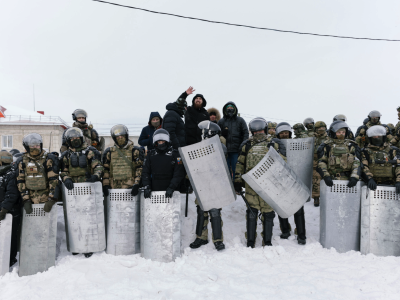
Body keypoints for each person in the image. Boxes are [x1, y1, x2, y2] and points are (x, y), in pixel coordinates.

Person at [234, 118, 286, 248]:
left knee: (268, 213)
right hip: (251, 185)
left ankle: (267, 240)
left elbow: (283, 163)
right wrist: (237, 180)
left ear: (266, 130)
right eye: (255, 131)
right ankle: (250, 240)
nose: (258, 133)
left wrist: (275, 153)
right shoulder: (247, 145)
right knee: (252, 212)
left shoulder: (274, 143)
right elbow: (240, 163)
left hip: (269, 184)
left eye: (261, 130)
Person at [189, 121, 226, 251]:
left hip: (215, 184)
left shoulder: (220, 146)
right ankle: (201, 237)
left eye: (204, 131)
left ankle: (218, 239)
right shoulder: (200, 146)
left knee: (215, 212)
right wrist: (189, 181)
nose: (202, 133)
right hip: (202, 183)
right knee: (201, 211)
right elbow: (194, 166)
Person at [275, 122, 307, 245]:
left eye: (286, 132)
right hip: (280, 180)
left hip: (295, 179)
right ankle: (285, 230)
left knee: (298, 208)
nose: (284, 135)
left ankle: (301, 234)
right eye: (282, 133)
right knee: (282, 206)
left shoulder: (296, 144)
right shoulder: (274, 145)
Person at [17, 133, 60, 214]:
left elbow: (53, 180)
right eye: (32, 146)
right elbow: (20, 181)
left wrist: (52, 199)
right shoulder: (22, 161)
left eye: (37, 146)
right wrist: (26, 200)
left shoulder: (48, 159)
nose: (35, 148)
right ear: (27, 147)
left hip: (46, 201)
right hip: (30, 201)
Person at [317, 121, 361, 192]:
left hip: (348, 181)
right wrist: (326, 176)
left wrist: (354, 177)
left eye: (343, 132)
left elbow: (356, 162)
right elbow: (322, 162)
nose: (341, 134)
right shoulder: (327, 146)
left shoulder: (351, 145)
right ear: (333, 133)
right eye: (339, 132)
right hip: (331, 180)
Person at [102, 125, 144, 197]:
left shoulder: (135, 151)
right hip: (114, 189)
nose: (120, 138)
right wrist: (105, 184)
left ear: (126, 136)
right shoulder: (109, 152)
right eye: (118, 137)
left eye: (122, 136)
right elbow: (105, 169)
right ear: (114, 138)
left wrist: (137, 184)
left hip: (130, 189)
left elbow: (139, 168)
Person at [361, 125, 400, 194]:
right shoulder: (365, 151)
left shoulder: (392, 150)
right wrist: (369, 179)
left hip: (391, 184)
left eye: (379, 136)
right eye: (374, 136)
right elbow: (364, 166)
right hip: (372, 185)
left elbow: (398, 165)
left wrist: (399, 181)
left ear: (383, 137)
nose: (377, 138)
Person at [0, 151, 22, 267]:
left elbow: (12, 194)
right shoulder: (3, 173)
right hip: (3, 211)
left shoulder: (11, 174)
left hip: (11, 212)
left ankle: (10, 259)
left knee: (11, 237)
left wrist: (4, 209)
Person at [218, 102, 249, 179]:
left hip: (237, 150)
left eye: (231, 108)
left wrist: (243, 145)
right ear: (225, 110)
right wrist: (222, 133)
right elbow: (216, 134)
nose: (230, 109)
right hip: (225, 150)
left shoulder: (240, 120)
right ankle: (227, 187)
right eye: (228, 108)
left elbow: (245, 132)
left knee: (236, 169)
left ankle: (236, 187)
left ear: (234, 109)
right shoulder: (221, 121)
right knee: (225, 170)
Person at [312, 121, 330, 207]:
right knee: (316, 180)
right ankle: (316, 197)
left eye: (323, 128)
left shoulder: (328, 138)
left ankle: (328, 197)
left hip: (327, 161)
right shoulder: (312, 138)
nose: (321, 129)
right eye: (319, 128)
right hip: (315, 161)